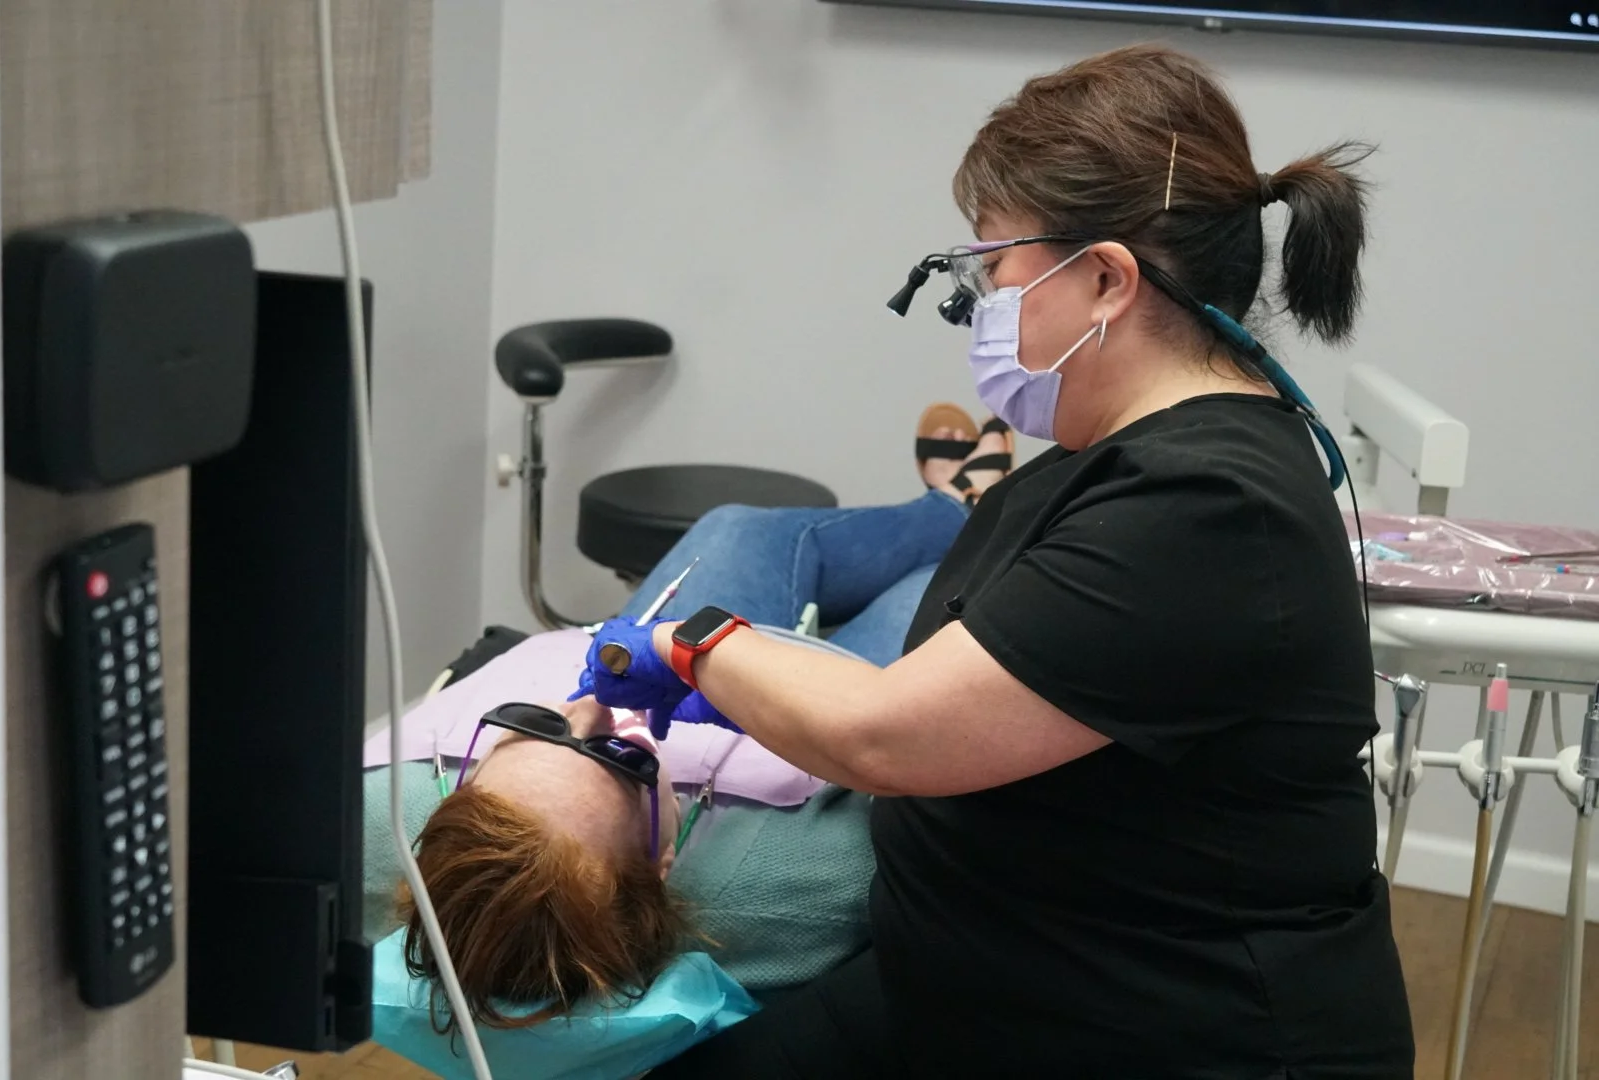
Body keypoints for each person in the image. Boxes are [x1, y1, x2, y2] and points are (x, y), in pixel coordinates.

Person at [578, 44, 1416, 1079]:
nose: (980, 304)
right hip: (979, 978)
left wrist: (687, 644)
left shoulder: (1207, 509)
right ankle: (944, 498)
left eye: (995, 270)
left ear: (1104, 278)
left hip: (1157, 1035)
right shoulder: (1103, 456)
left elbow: (884, 737)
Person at [370, 413, 1014, 1029]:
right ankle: (977, 505)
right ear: (662, 864)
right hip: (843, 675)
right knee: (945, 580)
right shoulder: (803, 880)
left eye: (534, 724)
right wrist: (718, 664)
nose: (592, 707)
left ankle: (955, 502)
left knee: (735, 527)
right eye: (623, 759)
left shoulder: (375, 824)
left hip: (653, 646)